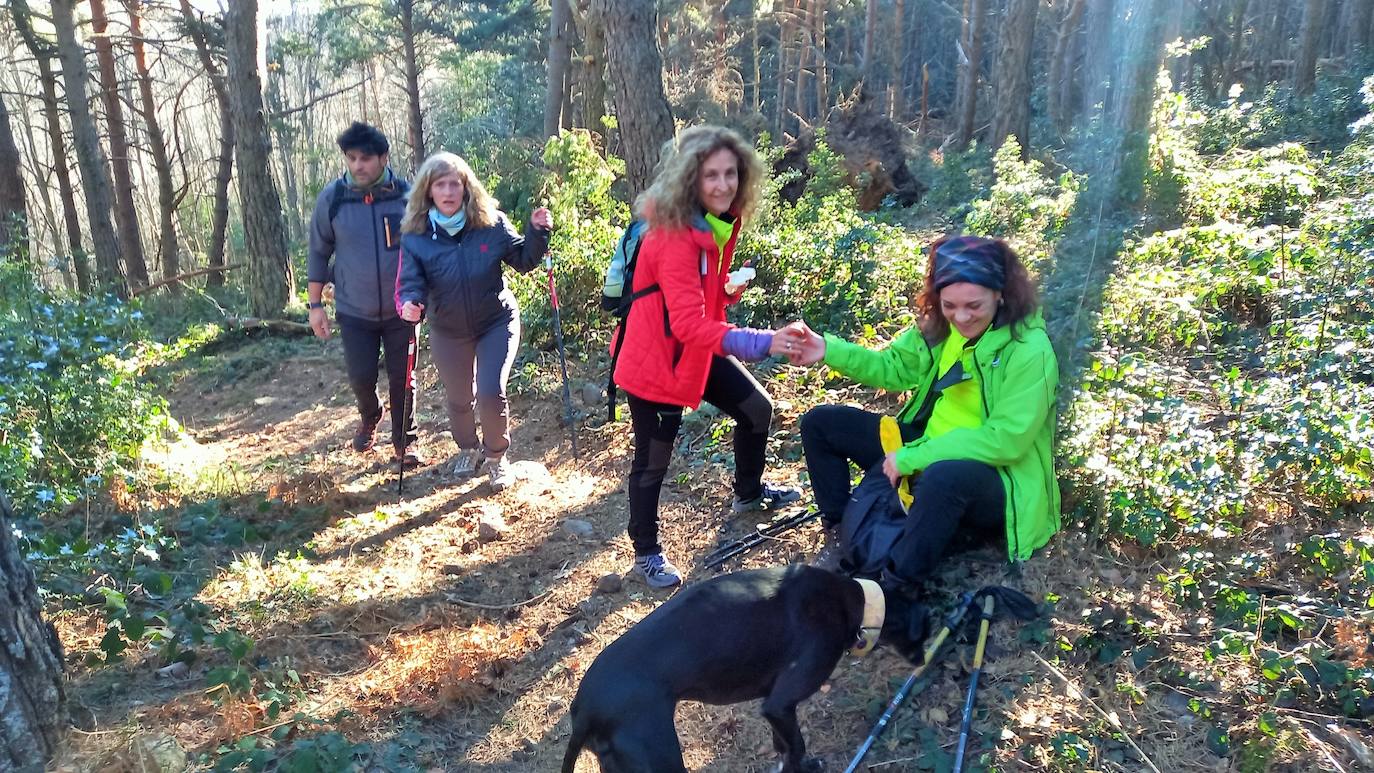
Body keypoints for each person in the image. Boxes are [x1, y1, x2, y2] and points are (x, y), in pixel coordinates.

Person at [787, 236, 1060, 592]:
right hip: (929, 446)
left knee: (943, 476)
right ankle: (846, 534)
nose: (961, 317)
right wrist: (827, 349)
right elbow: (891, 368)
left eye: (974, 305)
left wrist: (915, 457)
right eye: (950, 305)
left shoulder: (1029, 350)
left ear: (1001, 294)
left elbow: (1006, 441)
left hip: (996, 478)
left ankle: (895, 587)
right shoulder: (944, 329)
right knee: (822, 424)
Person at [612, 125, 805, 588]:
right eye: (711, 175)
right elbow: (685, 323)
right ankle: (645, 554)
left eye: (730, 174)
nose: (723, 185)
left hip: (694, 351)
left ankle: (748, 494)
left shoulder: (715, 224)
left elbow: (695, 300)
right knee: (653, 461)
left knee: (756, 409)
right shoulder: (675, 235)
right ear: (690, 179)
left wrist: (726, 290)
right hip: (657, 361)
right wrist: (764, 341)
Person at [395, 152, 551, 492]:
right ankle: (468, 448)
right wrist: (410, 303)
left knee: (491, 391)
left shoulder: (491, 223)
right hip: (448, 330)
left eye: (455, 184)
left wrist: (537, 233)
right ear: (428, 191)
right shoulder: (416, 236)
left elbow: (523, 260)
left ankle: (496, 457)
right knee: (459, 398)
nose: (448, 192)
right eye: (440, 185)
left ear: (466, 188)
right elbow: (410, 281)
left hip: (496, 321)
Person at [307, 122, 423, 467]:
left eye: (366, 158)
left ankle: (404, 442)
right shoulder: (333, 199)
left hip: (402, 309)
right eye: (352, 158)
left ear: (383, 158)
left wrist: (423, 294)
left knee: (404, 378)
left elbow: (426, 249)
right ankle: (371, 414)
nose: (358, 165)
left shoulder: (407, 196)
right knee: (361, 377)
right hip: (354, 310)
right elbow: (318, 253)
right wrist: (315, 306)